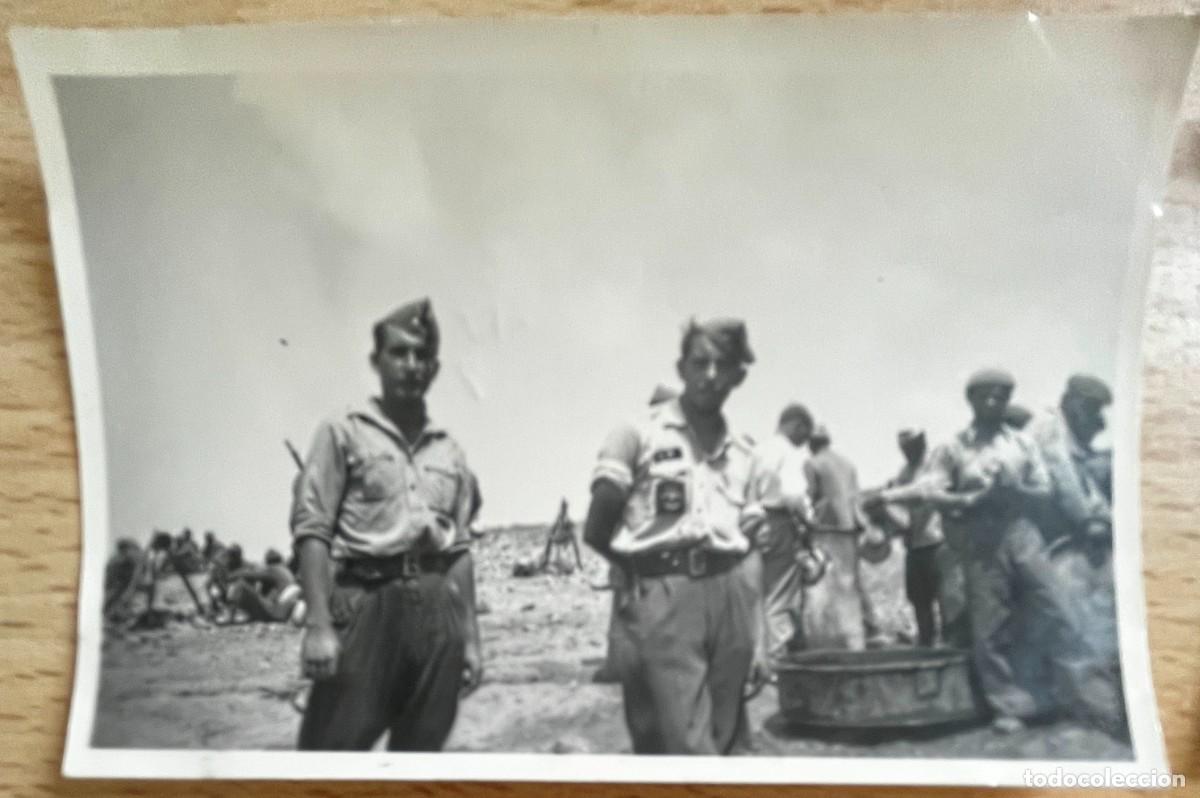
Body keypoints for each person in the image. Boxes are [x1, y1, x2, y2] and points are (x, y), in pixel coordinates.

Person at [291, 297, 483, 751]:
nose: (411, 365)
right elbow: (313, 531)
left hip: (438, 612)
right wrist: (318, 626)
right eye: (399, 353)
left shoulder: (449, 450)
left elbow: (458, 551)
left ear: (434, 369)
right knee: (329, 754)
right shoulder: (342, 431)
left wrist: (471, 639)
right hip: (366, 605)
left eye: (422, 356)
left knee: (420, 754)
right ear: (377, 361)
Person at [583, 318, 769, 754]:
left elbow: (753, 547)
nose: (709, 374)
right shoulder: (637, 434)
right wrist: (635, 574)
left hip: (733, 596)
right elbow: (597, 525)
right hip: (665, 593)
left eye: (722, 365)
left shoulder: (746, 452)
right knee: (685, 744)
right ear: (680, 367)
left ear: (738, 376)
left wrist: (759, 636)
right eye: (699, 362)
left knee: (726, 740)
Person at [874, 369, 1093, 734]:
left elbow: (1044, 491)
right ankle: (1007, 705)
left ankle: (1071, 692)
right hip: (980, 541)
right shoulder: (954, 447)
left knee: (1056, 604)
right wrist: (967, 499)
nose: (993, 402)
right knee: (989, 626)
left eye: (1000, 396)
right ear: (971, 400)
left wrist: (1015, 489)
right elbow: (931, 491)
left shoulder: (1022, 444)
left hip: (1022, 533)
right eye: (985, 395)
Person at [594, 385, 680, 685]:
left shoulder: (637, 432)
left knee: (624, 606)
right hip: (662, 544)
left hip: (631, 537)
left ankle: (620, 666)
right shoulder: (675, 438)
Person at [863, 429, 952, 647]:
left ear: (922, 443)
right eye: (903, 448)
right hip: (915, 547)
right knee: (920, 603)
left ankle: (949, 650)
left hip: (937, 544)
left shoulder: (932, 466)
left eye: (910, 446)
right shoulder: (905, 472)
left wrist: (886, 495)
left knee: (946, 602)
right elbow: (900, 508)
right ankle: (926, 646)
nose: (906, 452)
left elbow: (921, 491)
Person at [803, 424, 886, 649]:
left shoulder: (812, 463)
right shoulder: (847, 464)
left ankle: (832, 634)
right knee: (853, 579)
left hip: (827, 529)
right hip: (850, 528)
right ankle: (873, 628)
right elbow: (855, 497)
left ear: (812, 443)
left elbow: (809, 497)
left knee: (827, 581)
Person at [754, 403, 815, 661]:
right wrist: (809, 522)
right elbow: (793, 495)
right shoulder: (789, 453)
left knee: (760, 597)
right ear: (797, 425)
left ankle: (758, 663)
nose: (804, 442)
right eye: (804, 434)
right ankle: (778, 664)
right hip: (779, 524)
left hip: (755, 525)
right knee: (780, 599)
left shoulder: (758, 450)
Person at [1027, 375, 1113, 548]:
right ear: (1070, 401)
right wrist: (1086, 520)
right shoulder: (1049, 426)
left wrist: (1106, 517)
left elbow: (1085, 482)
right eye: (1089, 407)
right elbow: (1062, 474)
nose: (1091, 414)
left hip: (1056, 507)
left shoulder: (1069, 431)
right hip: (1034, 514)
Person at [224, 549, 303, 623]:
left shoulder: (273, 569)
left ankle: (229, 617)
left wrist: (229, 576)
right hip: (285, 613)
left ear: (268, 561)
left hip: (274, 612)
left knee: (240, 584)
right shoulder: (286, 570)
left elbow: (248, 575)